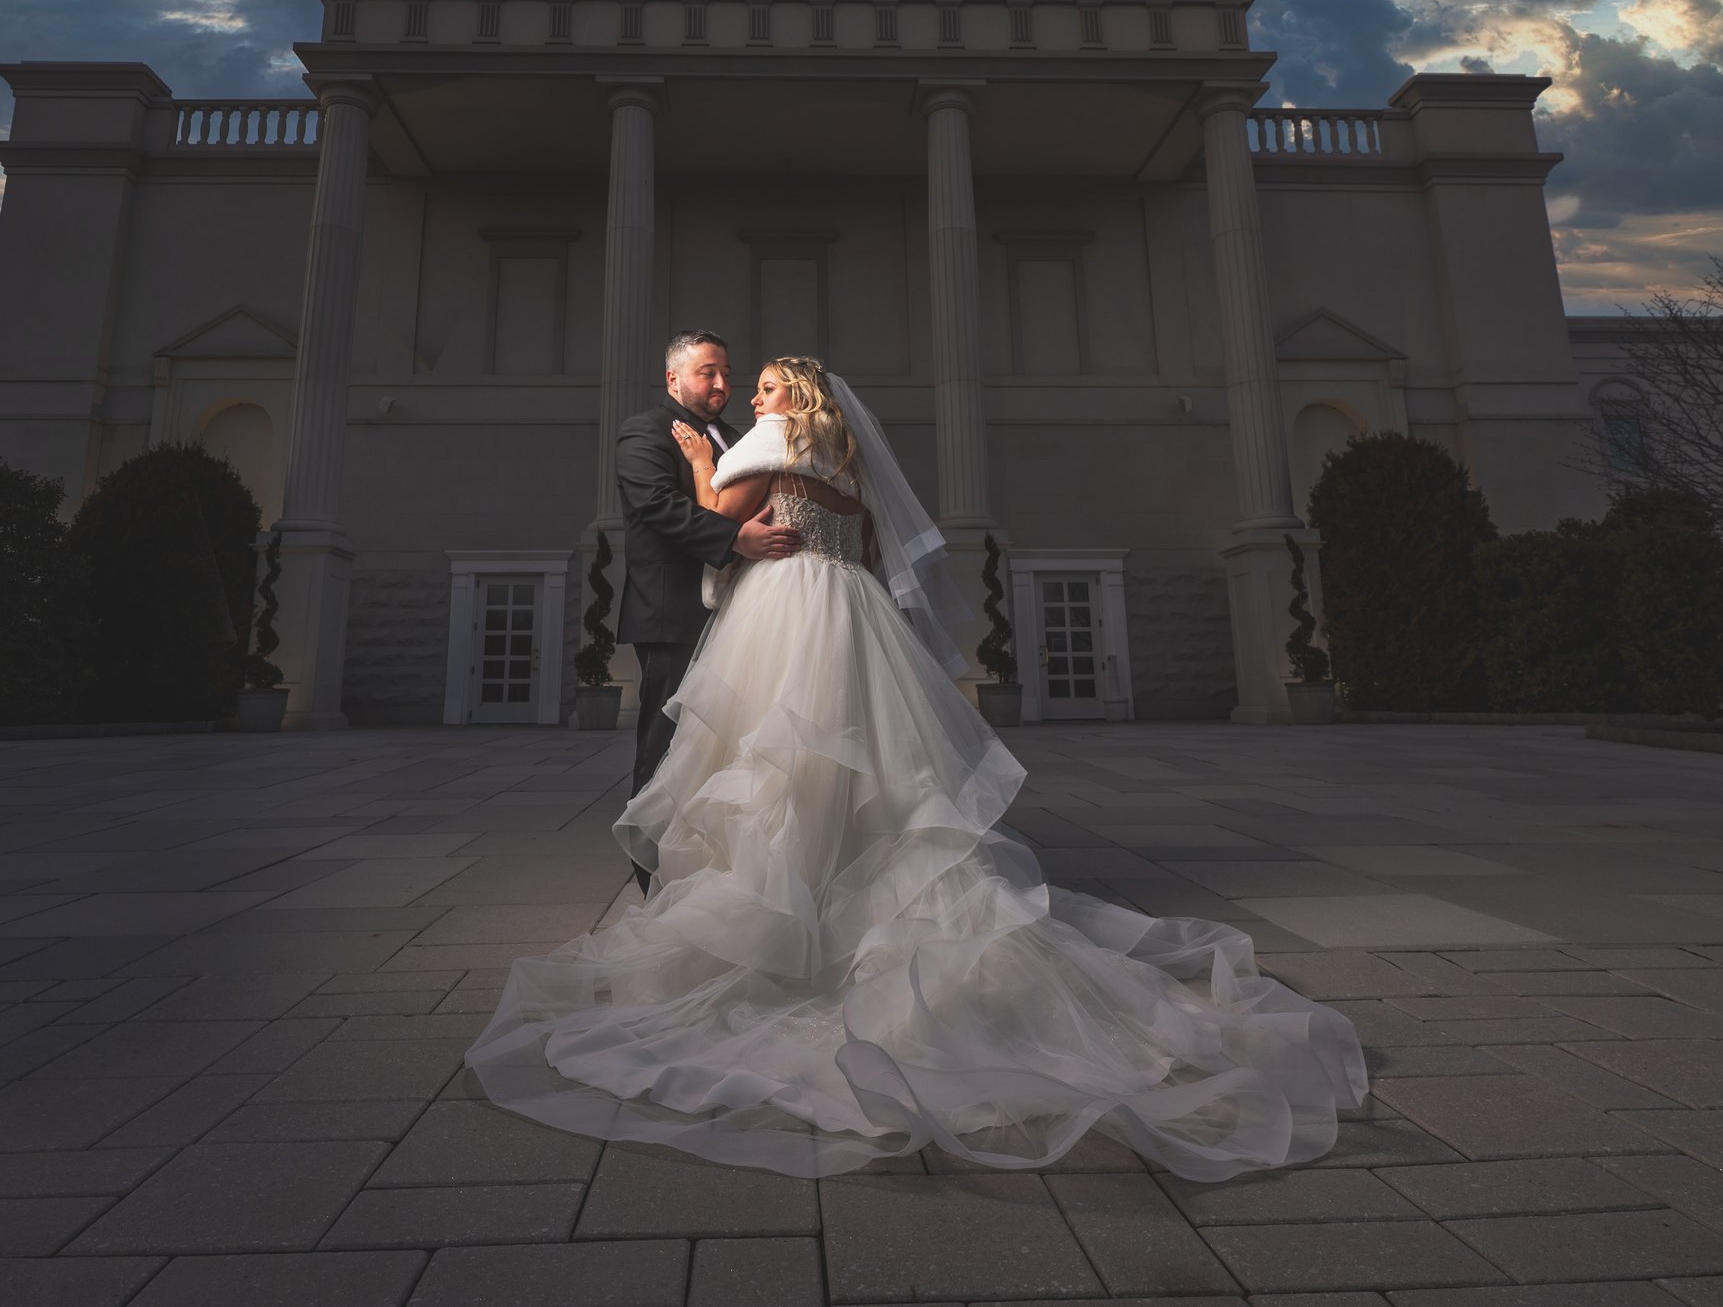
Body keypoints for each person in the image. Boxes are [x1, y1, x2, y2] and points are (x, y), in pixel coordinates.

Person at [469, 355, 1367, 1180]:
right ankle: (861, 895)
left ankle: (795, 922)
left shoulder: (775, 445)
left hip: (786, 612)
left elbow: (719, 522)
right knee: (872, 768)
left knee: (780, 758)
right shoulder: (850, 466)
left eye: (769, 384)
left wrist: (698, 462)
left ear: (799, 397)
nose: (754, 395)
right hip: (851, 615)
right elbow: (860, 556)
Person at [610, 330, 799, 888]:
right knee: (668, 745)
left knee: (727, 746)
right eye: (706, 373)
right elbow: (656, 506)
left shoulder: (741, 435)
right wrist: (735, 538)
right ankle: (652, 875)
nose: (721, 383)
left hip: (741, 612)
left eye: (725, 373)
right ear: (674, 378)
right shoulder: (644, 431)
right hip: (674, 611)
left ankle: (714, 869)